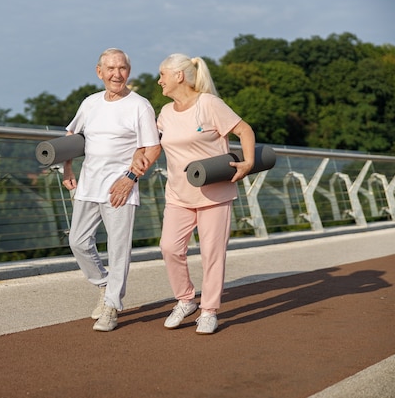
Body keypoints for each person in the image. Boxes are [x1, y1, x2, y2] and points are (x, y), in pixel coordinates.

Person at [133, 53, 255, 334]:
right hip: (178, 194)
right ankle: (185, 299)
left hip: (214, 194)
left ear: (179, 76)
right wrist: (137, 162)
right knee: (169, 247)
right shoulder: (164, 112)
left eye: (162, 74)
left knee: (212, 253)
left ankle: (209, 310)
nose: (159, 80)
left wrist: (247, 162)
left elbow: (244, 130)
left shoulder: (209, 104)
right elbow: (153, 145)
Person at [62, 48, 161, 332]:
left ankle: (112, 306)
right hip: (89, 185)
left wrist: (130, 177)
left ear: (129, 71)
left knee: (118, 250)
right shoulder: (90, 103)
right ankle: (105, 285)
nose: (117, 74)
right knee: (78, 241)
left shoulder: (139, 105)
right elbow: (72, 136)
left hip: (120, 188)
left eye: (122, 68)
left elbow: (153, 147)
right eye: (111, 69)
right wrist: (68, 168)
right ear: (99, 72)